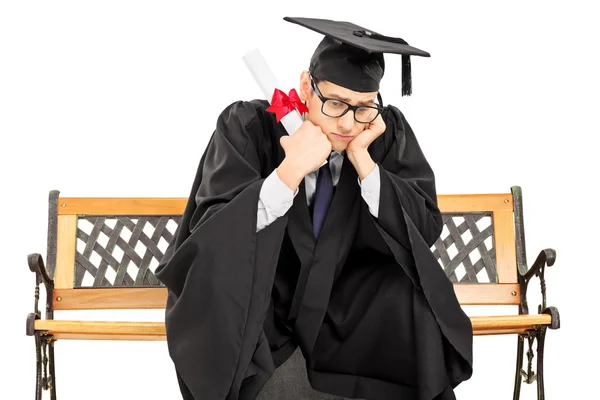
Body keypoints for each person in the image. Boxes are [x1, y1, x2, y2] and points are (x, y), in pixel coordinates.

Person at [155, 16, 473, 400]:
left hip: (343, 316)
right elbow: (213, 235)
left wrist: (366, 165)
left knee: (411, 302)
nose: (348, 122)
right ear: (306, 86)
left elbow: (422, 229)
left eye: (363, 107)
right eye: (336, 103)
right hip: (261, 315)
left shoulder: (382, 135)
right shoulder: (248, 126)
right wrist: (289, 172)